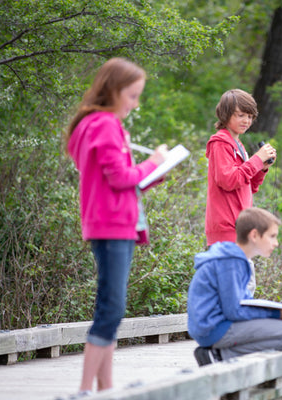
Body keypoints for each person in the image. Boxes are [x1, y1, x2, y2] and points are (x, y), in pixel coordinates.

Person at [65, 58, 168, 394]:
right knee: (111, 308)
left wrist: (154, 172)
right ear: (114, 90)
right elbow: (121, 178)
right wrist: (151, 162)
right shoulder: (105, 124)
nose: (135, 104)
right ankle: (84, 389)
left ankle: (105, 387)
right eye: (133, 95)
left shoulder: (93, 124)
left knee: (111, 307)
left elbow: (118, 181)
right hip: (112, 226)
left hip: (110, 223)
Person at [187, 207, 282, 366]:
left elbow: (242, 302)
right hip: (213, 329)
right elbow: (234, 310)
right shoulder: (231, 262)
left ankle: (218, 354)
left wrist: (275, 311)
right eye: (272, 236)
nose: (276, 243)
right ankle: (220, 355)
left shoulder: (236, 259)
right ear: (254, 235)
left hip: (214, 326)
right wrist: (276, 314)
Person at [205, 89, 277, 247]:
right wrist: (256, 159)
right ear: (226, 114)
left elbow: (247, 186)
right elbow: (227, 180)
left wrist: (262, 168)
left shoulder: (239, 145)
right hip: (226, 229)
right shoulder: (220, 142)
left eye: (250, 116)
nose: (246, 120)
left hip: (240, 228)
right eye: (241, 115)